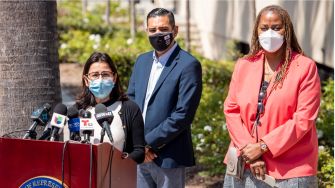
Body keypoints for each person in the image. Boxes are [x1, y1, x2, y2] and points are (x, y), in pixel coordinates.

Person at [223, 5, 321, 188]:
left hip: (291, 170)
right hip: (243, 164)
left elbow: (304, 118)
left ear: (287, 30)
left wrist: (262, 146)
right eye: (264, 28)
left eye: (276, 27)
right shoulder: (244, 64)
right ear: (256, 30)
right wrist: (248, 150)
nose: (269, 33)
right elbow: (231, 109)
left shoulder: (305, 67)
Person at [127, 8, 202, 188]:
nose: (158, 34)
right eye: (152, 30)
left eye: (163, 29)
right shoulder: (142, 61)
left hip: (169, 157)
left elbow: (183, 114)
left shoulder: (188, 65)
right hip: (140, 155)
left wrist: (148, 143)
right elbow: (130, 101)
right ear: (146, 31)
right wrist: (136, 143)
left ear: (175, 30)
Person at [75, 52, 145, 164]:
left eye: (105, 74)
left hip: (118, 177)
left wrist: (121, 161)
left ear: (114, 78)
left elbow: (139, 152)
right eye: (95, 75)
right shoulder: (77, 110)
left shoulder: (130, 108)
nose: (100, 79)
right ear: (86, 80)